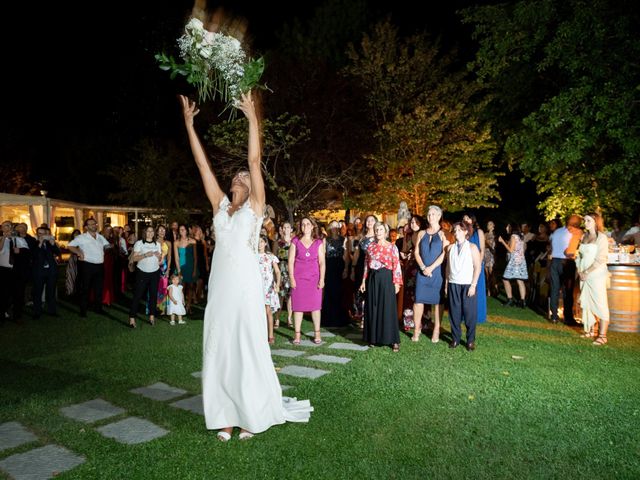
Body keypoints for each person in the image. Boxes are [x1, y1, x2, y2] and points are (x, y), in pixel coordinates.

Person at [180, 91, 312, 442]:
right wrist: (189, 125)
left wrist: (253, 117)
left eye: (244, 175)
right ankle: (224, 415)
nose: (240, 176)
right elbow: (202, 165)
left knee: (246, 345)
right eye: (236, 175)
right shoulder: (220, 207)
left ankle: (252, 414)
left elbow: (254, 161)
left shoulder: (256, 207)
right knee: (220, 344)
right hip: (221, 286)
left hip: (245, 285)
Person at [360, 222, 403, 352]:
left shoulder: (392, 247)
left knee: (388, 308)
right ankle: (373, 337)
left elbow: (396, 265)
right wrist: (363, 281)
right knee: (373, 307)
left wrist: (396, 283)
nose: (378, 231)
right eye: (376, 229)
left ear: (385, 232)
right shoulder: (370, 247)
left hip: (386, 278)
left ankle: (394, 340)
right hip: (372, 278)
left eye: (380, 229)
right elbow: (366, 265)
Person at [412, 206, 449, 343]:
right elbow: (416, 252)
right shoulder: (421, 233)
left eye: (433, 214)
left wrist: (431, 268)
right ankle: (417, 330)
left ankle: (437, 330)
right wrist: (422, 267)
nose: (430, 216)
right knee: (418, 301)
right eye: (428, 214)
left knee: (438, 302)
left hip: (437, 272)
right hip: (422, 272)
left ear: (439, 216)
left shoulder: (443, 233)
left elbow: (444, 254)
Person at [445, 222, 482, 351]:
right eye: (455, 231)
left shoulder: (472, 247)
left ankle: (470, 340)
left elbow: (477, 267)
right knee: (454, 313)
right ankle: (455, 338)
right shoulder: (450, 248)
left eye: (460, 230)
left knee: (469, 314)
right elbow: (448, 268)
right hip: (454, 283)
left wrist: (473, 285)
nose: (456, 233)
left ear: (466, 232)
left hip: (467, 284)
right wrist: (446, 283)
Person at [289, 217, 325, 345]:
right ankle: (297, 335)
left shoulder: (318, 242)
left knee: (315, 307)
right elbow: (291, 261)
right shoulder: (295, 241)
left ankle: (317, 333)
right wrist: (292, 278)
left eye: (308, 224)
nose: (305, 226)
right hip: (298, 279)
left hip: (314, 279)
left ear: (312, 226)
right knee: (298, 307)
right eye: (303, 224)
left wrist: (322, 278)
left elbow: (321, 262)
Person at [576, 213, 610, 345]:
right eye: (585, 220)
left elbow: (601, 258)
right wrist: (579, 270)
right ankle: (590, 330)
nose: (586, 222)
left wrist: (587, 271)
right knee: (587, 302)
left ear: (596, 221)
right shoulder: (584, 236)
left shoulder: (601, 238)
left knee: (599, 302)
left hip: (596, 274)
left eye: (589, 220)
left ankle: (602, 336)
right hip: (583, 273)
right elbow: (579, 255)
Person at [67, 218, 110, 317]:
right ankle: (83, 310)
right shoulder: (81, 237)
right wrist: (79, 252)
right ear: (86, 227)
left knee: (98, 288)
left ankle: (98, 308)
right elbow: (70, 246)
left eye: (95, 223)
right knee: (85, 288)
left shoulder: (100, 237)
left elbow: (106, 245)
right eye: (91, 224)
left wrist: (108, 248)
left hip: (99, 265)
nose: (94, 225)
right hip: (87, 265)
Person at [549, 214, 582, 324]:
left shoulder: (557, 231)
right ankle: (568, 318)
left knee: (554, 289)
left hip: (554, 262)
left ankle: (554, 316)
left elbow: (551, 244)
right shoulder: (576, 232)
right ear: (577, 224)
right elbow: (570, 251)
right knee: (567, 291)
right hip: (566, 262)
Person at [128, 226, 161, 328]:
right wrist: (145, 255)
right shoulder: (139, 243)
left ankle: (152, 316)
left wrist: (158, 256)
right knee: (138, 295)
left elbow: (160, 258)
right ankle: (132, 318)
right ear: (145, 232)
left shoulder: (157, 244)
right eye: (148, 231)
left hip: (155, 272)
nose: (150, 233)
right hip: (142, 272)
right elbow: (134, 258)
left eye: (152, 231)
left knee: (153, 295)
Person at [321, 220, 350, 327]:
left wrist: (346, 269)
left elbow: (346, 256)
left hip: (339, 267)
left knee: (340, 292)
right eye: (332, 226)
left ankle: (340, 318)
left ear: (339, 228)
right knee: (329, 292)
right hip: (329, 267)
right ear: (329, 228)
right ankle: (328, 319)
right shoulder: (325, 240)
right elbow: (323, 256)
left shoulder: (344, 240)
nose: (334, 228)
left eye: (336, 226)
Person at [32, 227, 61, 318]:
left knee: (51, 292)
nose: (42, 235)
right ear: (37, 234)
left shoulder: (50, 243)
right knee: (38, 292)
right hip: (39, 272)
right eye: (40, 233)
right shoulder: (34, 243)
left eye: (44, 233)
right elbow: (34, 255)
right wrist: (40, 243)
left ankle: (52, 311)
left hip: (51, 271)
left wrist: (53, 244)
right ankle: (37, 312)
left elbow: (58, 253)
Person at [499, 223, 528, 308]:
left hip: (514, 262)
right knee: (520, 280)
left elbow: (511, 250)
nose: (506, 228)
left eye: (508, 226)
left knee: (505, 279)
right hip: (521, 261)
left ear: (512, 228)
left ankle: (510, 299)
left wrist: (502, 242)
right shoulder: (521, 236)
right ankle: (523, 302)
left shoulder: (513, 236)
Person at [258, 236, 281, 344]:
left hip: (268, 286)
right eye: (258, 242)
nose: (259, 244)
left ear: (265, 243)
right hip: (256, 286)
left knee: (268, 311)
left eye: (262, 242)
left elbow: (277, 272)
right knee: (257, 312)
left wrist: (278, 284)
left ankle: (270, 335)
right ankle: (258, 334)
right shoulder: (252, 256)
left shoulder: (270, 256)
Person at [273, 221, 294, 327]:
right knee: (280, 296)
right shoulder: (277, 243)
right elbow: (274, 258)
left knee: (290, 296)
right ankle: (277, 319)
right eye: (284, 227)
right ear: (282, 229)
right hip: (280, 270)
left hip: (290, 270)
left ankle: (289, 318)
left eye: (288, 227)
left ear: (291, 229)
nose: (286, 229)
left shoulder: (294, 242)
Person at [65, 229, 82, 297]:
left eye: (78, 233)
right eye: (75, 234)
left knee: (78, 275)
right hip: (73, 259)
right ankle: (70, 290)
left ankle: (77, 290)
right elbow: (72, 250)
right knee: (71, 274)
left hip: (80, 259)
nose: (76, 235)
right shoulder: (71, 242)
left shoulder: (81, 241)